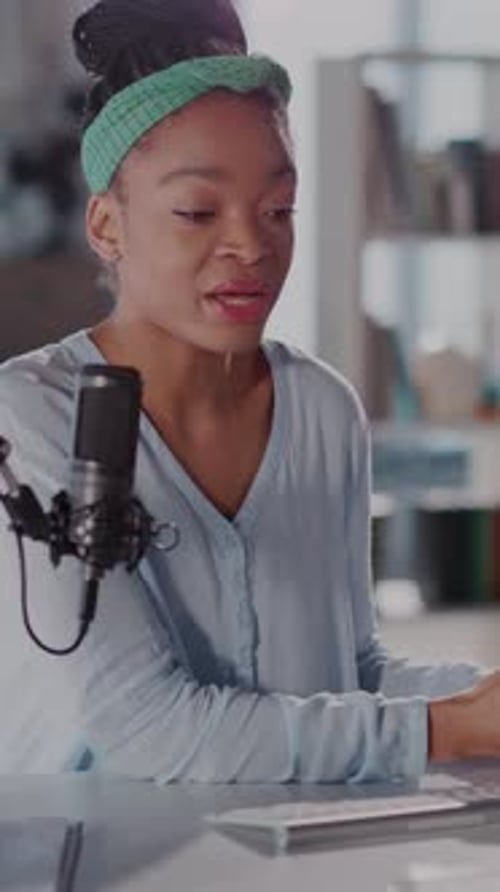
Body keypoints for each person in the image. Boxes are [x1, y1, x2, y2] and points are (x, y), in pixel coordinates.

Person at [0, 0, 499, 782]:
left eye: (278, 210)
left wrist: (475, 698)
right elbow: (146, 728)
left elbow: (349, 674)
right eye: (198, 211)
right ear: (106, 226)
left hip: (287, 858)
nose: (250, 244)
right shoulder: (29, 417)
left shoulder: (322, 409)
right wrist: (448, 731)